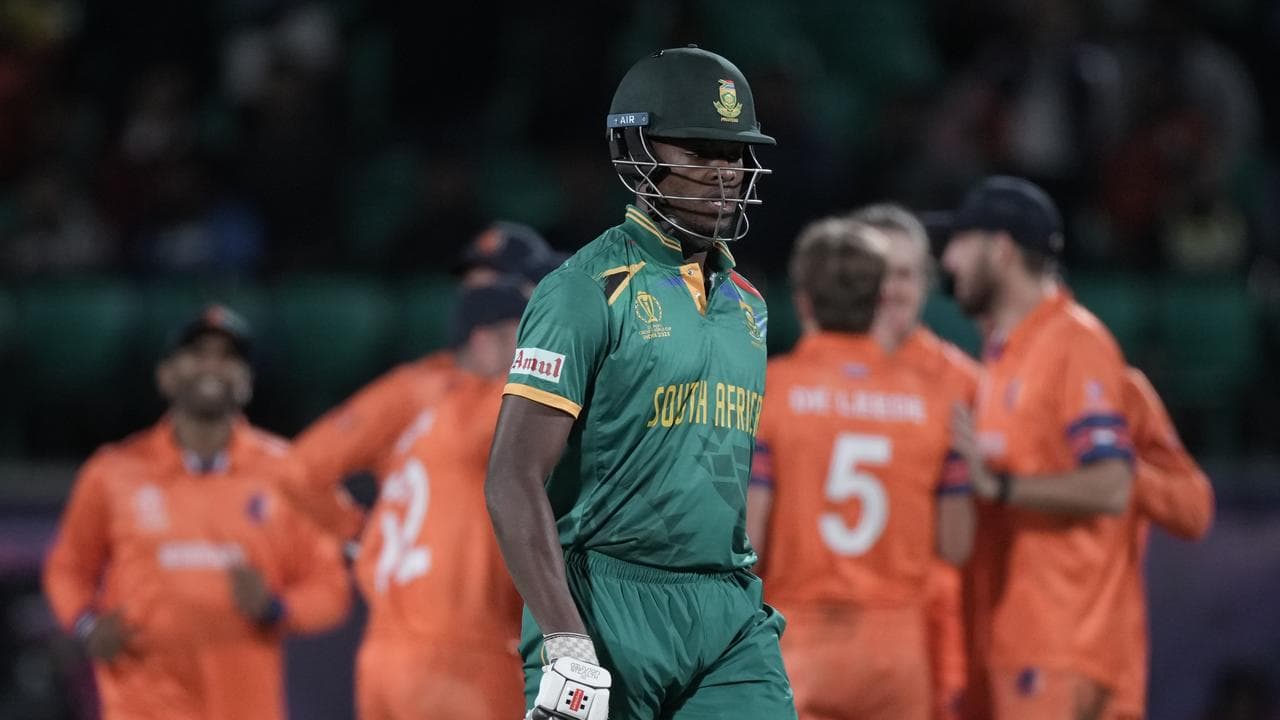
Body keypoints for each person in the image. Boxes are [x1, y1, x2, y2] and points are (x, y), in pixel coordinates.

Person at [484, 45, 795, 720]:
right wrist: (567, 641)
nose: (727, 173)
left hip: (728, 609)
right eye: (700, 150)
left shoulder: (749, 304)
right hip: (605, 601)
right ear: (637, 152)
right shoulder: (582, 292)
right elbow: (511, 476)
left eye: (737, 154)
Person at [42, 305, 349, 720]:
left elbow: (331, 587)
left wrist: (276, 609)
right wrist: (87, 626)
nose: (212, 366)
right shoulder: (114, 472)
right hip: (142, 704)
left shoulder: (288, 474)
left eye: (228, 358)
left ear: (247, 382)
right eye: (198, 353)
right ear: (165, 375)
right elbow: (68, 566)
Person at [747, 217, 974, 720]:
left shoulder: (772, 391)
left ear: (802, 301)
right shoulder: (938, 402)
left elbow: (751, 542)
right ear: (879, 302)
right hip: (898, 650)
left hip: (797, 636)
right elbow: (956, 545)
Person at [940, 176, 1135, 720]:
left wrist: (997, 485)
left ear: (1000, 250)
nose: (949, 259)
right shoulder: (1006, 355)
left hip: (1063, 645)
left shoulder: (1074, 342)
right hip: (1023, 640)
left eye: (959, 241)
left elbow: (1113, 485)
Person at [290, 222, 561, 538]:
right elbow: (299, 470)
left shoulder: (567, 381)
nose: (480, 295)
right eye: (473, 284)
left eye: (499, 285)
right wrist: (364, 534)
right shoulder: (421, 388)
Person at [352, 280, 531, 720]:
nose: (528, 353)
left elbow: (301, 471)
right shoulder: (482, 406)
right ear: (483, 339)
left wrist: (355, 537)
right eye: (521, 337)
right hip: (463, 654)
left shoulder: (414, 410)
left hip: (381, 654)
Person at [848, 202, 981, 720]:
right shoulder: (807, 376)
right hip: (820, 626)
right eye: (873, 273)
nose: (889, 288)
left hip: (923, 636)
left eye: (903, 273)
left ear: (926, 281)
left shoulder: (965, 386)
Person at [1097, 366, 1214, 720]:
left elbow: (1194, 510)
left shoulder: (1120, 392)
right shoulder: (979, 386)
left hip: (1107, 670)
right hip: (1007, 656)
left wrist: (1123, 471)